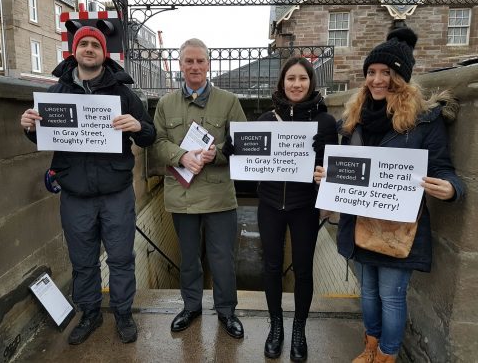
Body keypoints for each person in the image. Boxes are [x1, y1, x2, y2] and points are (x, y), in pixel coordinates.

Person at [314, 27, 464, 363]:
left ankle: (387, 354)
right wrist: (329, 176)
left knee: (391, 296)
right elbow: (344, 169)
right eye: (371, 72)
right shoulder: (353, 120)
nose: (377, 80)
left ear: (401, 78)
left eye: (387, 73)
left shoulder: (426, 121)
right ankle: (370, 347)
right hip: (359, 221)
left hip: (398, 229)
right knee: (367, 291)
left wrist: (452, 187)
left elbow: (443, 168)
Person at [20, 26, 156, 345]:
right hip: (75, 195)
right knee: (83, 260)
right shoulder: (56, 94)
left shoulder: (123, 94)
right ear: (74, 52)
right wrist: (28, 128)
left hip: (116, 193)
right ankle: (90, 313)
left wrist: (138, 125)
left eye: (96, 44)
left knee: (121, 258)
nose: (90, 49)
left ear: (104, 53)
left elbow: (149, 135)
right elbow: (43, 136)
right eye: (85, 44)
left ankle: (123, 313)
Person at [152, 38, 247, 339]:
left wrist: (214, 154)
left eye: (200, 61)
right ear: (180, 65)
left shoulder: (229, 102)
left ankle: (226, 310)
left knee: (222, 257)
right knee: (189, 256)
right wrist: (181, 156)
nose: (195, 66)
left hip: (219, 195)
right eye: (189, 61)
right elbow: (156, 143)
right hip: (182, 197)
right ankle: (191, 307)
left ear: (208, 65)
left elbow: (242, 142)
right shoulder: (166, 104)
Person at [253, 57, 337, 362]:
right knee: (271, 267)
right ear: (282, 83)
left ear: (311, 82)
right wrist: (233, 149)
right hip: (271, 205)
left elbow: (334, 172)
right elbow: (249, 156)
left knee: (303, 270)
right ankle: (276, 326)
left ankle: (299, 328)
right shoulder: (265, 120)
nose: (296, 84)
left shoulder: (325, 122)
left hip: (304, 206)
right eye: (291, 78)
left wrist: (321, 167)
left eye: (302, 78)